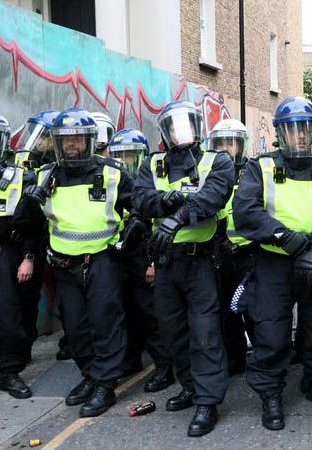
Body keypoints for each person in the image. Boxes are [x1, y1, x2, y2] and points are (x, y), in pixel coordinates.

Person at [232, 96, 312, 431]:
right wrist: (284, 236)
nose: (300, 136)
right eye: (292, 130)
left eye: (306, 129)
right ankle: (271, 394)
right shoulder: (261, 166)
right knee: (271, 329)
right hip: (274, 261)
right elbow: (246, 212)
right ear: (281, 134)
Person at [132, 100, 233, 437]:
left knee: (205, 332)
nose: (182, 132)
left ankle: (208, 401)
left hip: (199, 259)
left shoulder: (216, 160)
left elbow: (213, 197)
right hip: (165, 262)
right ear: (165, 133)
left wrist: (177, 217)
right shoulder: (154, 163)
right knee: (173, 331)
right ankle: (190, 386)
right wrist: (171, 200)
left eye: (187, 124)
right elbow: (141, 199)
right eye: (174, 127)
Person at [25, 107, 132, 417]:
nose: (71, 145)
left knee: (105, 323)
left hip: (102, 261)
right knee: (76, 328)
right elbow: (30, 222)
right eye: (65, 140)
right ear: (58, 143)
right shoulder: (46, 176)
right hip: (64, 265)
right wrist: (29, 201)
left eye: (77, 139)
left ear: (89, 140)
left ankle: (104, 386)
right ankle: (90, 376)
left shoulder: (112, 172)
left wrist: (128, 241)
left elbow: (138, 208)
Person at [0, 109, 43, 399]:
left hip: (1, 251)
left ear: (2, 141)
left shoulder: (18, 176)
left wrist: (29, 257)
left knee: (7, 315)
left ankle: (9, 373)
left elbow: (33, 225)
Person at [108, 128, 173, 392]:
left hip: (143, 255)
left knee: (151, 315)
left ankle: (165, 367)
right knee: (125, 312)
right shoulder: (113, 182)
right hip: (118, 256)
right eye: (120, 157)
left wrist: (152, 262)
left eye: (132, 157)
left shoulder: (149, 184)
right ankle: (130, 360)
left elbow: (155, 228)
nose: (126, 163)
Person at [208, 118, 256, 376]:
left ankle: (264, 359)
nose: (226, 148)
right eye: (221, 143)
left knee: (256, 310)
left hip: (250, 253)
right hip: (221, 254)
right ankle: (235, 360)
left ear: (241, 145)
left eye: (232, 142)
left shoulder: (253, 172)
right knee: (227, 312)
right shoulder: (209, 173)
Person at [9, 110, 58, 359]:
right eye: (35, 135)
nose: (36, 142)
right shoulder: (16, 162)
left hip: (39, 240)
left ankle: (24, 347)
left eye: (43, 137)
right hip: (13, 240)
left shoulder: (55, 168)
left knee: (29, 297)